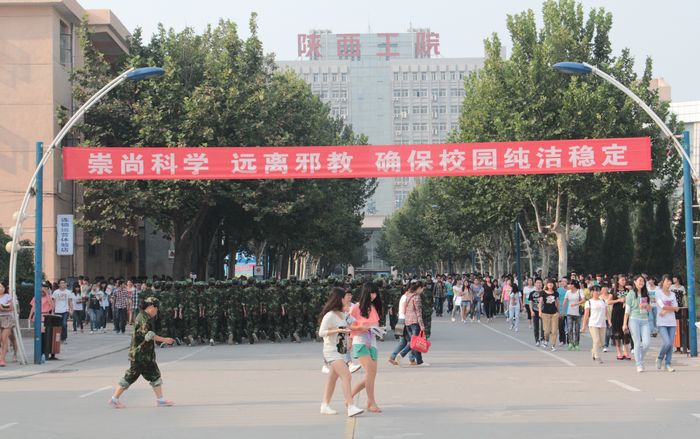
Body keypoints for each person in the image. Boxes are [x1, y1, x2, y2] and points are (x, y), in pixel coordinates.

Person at [109, 296, 175, 409]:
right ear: (151, 307)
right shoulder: (143, 318)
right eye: (156, 309)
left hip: (146, 356)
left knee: (155, 375)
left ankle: (160, 400)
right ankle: (114, 399)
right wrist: (165, 340)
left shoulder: (144, 316)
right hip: (139, 355)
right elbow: (149, 335)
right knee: (130, 376)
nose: (156, 311)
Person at [318, 287, 364, 417]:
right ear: (340, 299)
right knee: (346, 376)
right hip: (331, 351)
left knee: (332, 379)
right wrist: (338, 330)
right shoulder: (330, 315)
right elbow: (321, 332)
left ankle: (325, 405)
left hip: (341, 350)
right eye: (345, 297)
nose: (348, 299)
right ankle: (350, 406)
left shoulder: (343, 314)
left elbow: (355, 324)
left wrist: (367, 327)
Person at [350, 282, 384, 413]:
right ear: (366, 293)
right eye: (371, 293)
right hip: (360, 341)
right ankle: (371, 401)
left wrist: (377, 330)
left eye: (375, 293)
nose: (374, 295)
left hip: (372, 342)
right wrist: (360, 328)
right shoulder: (356, 307)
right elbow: (348, 325)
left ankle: (349, 397)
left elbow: (375, 324)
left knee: (371, 374)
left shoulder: (374, 307)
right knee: (370, 372)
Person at [624, 275, 651, 372]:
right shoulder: (630, 294)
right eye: (639, 281)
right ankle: (638, 364)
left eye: (643, 281)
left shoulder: (645, 293)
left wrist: (646, 305)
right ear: (634, 282)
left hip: (645, 320)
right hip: (634, 319)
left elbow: (649, 308)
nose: (641, 282)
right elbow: (627, 310)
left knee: (647, 343)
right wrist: (624, 324)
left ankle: (640, 358)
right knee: (637, 343)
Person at [655, 275, 678, 372]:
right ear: (662, 282)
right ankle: (660, 357)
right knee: (667, 342)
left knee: (670, 345)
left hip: (672, 322)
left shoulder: (672, 294)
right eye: (667, 281)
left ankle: (668, 364)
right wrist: (670, 308)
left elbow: (676, 308)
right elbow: (662, 306)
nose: (669, 283)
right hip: (662, 322)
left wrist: (666, 310)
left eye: (670, 281)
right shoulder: (658, 293)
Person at [581, 285, 608, 363]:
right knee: (596, 340)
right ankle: (597, 356)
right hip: (593, 324)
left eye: (599, 291)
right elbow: (586, 315)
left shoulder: (603, 301)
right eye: (596, 291)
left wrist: (609, 321)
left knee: (601, 343)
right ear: (592, 292)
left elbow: (606, 312)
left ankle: (593, 351)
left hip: (602, 324)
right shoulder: (589, 302)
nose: (598, 292)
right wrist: (584, 326)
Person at [389, 286, 415, 365]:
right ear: (408, 290)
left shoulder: (403, 297)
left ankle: (392, 357)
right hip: (405, 320)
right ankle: (411, 359)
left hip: (401, 319)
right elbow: (404, 310)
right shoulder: (406, 297)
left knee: (403, 342)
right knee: (412, 341)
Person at [29, 282, 55, 359]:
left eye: (44, 290)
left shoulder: (48, 297)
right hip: (37, 316)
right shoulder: (36, 297)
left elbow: (52, 306)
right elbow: (33, 307)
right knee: (38, 335)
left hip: (45, 317)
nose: (42, 292)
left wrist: (47, 293)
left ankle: (44, 352)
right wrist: (30, 316)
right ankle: (39, 352)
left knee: (44, 335)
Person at [609, 275, 631, 360]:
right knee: (617, 333)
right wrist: (618, 300)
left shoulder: (627, 290)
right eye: (622, 280)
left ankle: (626, 352)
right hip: (616, 314)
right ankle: (619, 352)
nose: (623, 281)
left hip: (625, 313)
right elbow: (609, 302)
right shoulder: (613, 290)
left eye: (624, 280)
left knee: (625, 333)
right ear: (618, 281)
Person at [538, 278, 559, 351]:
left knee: (554, 331)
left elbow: (557, 302)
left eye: (552, 283)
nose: (550, 284)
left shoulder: (555, 293)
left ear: (553, 285)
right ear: (546, 284)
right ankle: (546, 340)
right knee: (546, 330)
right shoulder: (542, 292)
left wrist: (559, 311)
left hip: (554, 313)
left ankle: (553, 345)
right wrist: (540, 311)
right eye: (549, 283)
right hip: (545, 313)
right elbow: (540, 302)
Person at [562, 280, 583, 351]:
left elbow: (584, 300)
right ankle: (571, 343)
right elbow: (565, 302)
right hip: (569, 313)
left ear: (573, 285)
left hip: (578, 313)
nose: (569, 286)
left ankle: (576, 344)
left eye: (570, 284)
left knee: (577, 329)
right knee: (569, 328)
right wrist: (562, 311)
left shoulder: (579, 291)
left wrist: (576, 304)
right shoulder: (568, 292)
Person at [52, 279, 73, 343]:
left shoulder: (68, 292)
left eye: (64, 283)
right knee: (59, 325)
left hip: (65, 310)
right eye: (61, 283)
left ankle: (64, 338)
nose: (63, 284)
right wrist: (53, 310)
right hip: (57, 310)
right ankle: (59, 338)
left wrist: (71, 309)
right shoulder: (55, 292)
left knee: (64, 324)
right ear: (59, 284)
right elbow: (54, 302)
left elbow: (70, 301)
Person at [0, 282, 15, 367]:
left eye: (2, 287)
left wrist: (3, 308)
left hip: (6, 318)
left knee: (4, 338)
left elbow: (11, 308)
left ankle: (2, 359)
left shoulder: (7, 296)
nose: (0, 288)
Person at [528, 278, 544, 345]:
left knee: (543, 326)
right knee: (536, 326)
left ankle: (542, 338)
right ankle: (537, 340)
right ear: (535, 284)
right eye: (537, 283)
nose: (539, 284)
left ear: (542, 284)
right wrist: (531, 311)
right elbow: (530, 302)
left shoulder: (544, 292)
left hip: (543, 311)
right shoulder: (532, 293)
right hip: (535, 311)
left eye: (540, 283)